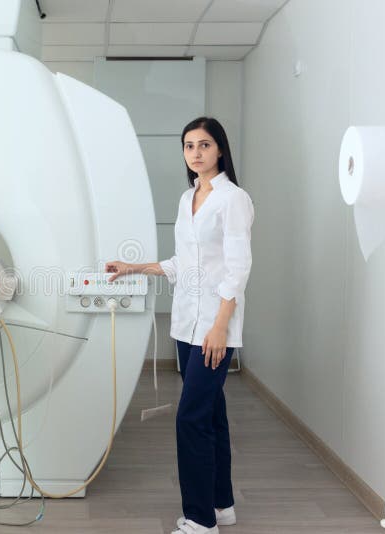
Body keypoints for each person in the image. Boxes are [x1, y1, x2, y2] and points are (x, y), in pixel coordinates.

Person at [106, 117, 254, 534]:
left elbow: (238, 269)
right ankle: (221, 505)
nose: (196, 153)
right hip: (186, 324)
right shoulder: (188, 197)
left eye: (204, 145)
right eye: (189, 145)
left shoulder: (233, 199)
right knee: (211, 416)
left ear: (219, 150)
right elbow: (182, 263)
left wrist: (221, 326)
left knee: (190, 418)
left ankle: (200, 520)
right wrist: (134, 267)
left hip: (213, 326)